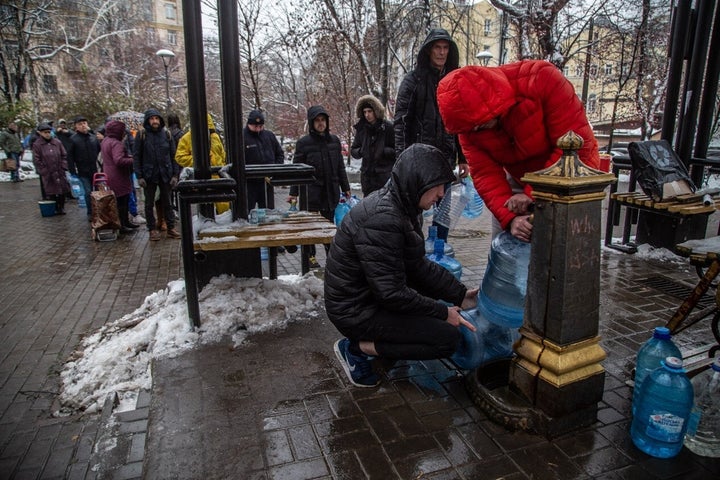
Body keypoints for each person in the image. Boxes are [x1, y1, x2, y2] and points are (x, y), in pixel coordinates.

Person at [325, 143, 478, 387]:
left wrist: (461, 295)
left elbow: (417, 267)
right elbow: (392, 293)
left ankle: (381, 346)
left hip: (369, 299)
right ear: (420, 180)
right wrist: (442, 312)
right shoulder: (384, 218)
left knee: (440, 317)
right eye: (439, 185)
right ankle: (357, 349)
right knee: (447, 338)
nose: (442, 194)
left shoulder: (402, 207)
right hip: (354, 311)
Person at [436, 60, 601, 242]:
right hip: (519, 178)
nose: (476, 132)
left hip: (573, 177)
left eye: (481, 125)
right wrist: (511, 219)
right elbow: (485, 174)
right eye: (471, 128)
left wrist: (533, 193)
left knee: (563, 246)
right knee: (505, 240)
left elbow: (575, 148)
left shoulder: (541, 79)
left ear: (494, 105)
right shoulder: (467, 127)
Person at [393, 28, 469, 241]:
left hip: (445, 159)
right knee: (414, 209)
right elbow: (400, 122)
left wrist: (463, 158)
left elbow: (459, 122)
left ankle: (439, 248)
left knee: (444, 211)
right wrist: (402, 158)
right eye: (437, 47)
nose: (441, 53)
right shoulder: (413, 80)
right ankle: (413, 248)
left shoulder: (454, 81)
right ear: (429, 50)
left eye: (445, 48)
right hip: (419, 161)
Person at [288, 105, 350, 268]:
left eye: (323, 120)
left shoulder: (334, 141)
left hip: (330, 191)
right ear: (311, 123)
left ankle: (332, 255)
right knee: (310, 225)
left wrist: (346, 187)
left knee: (329, 225)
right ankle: (310, 256)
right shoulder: (303, 143)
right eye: (317, 121)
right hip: (312, 193)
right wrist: (293, 193)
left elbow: (340, 167)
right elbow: (297, 170)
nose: (321, 123)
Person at [133, 108, 181, 241]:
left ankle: (171, 227)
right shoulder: (142, 135)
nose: (155, 121)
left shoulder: (167, 134)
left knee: (168, 202)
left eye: (157, 118)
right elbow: (136, 156)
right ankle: (152, 229)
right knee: (149, 204)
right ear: (148, 120)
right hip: (149, 174)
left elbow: (173, 155)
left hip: (165, 173)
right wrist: (139, 176)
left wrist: (175, 174)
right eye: (152, 119)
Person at [175, 113, 229, 214]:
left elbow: (222, 155)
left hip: (219, 178)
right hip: (202, 178)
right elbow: (179, 157)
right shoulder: (187, 138)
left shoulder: (215, 137)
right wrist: (197, 161)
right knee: (206, 210)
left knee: (224, 210)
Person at [350, 95, 395, 196]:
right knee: (368, 206)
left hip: (384, 175)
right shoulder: (361, 128)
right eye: (365, 112)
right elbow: (353, 150)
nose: (367, 115)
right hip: (367, 177)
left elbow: (397, 149)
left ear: (376, 111)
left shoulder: (387, 127)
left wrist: (384, 151)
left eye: (369, 111)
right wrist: (362, 151)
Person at [101, 120, 139, 234]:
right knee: (122, 201)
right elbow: (119, 160)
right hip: (119, 176)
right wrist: (133, 159)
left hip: (109, 174)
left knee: (119, 201)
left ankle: (125, 222)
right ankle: (123, 224)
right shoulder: (116, 143)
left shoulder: (105, 141)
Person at [243, 109, 285, 209]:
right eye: (255, 126)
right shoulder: (242, 137)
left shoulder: (269, 136)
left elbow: (279, 154)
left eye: (260, 126)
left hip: (267, 182)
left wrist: (275, 170)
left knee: (268, 211)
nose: (258, 129)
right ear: (249, 124)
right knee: (248, 211)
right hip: (249, 183)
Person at [66, 116, 100, 220]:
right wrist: (73, 170)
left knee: (98, 192)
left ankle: (99, 211)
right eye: (80, 124)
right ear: (76, 126)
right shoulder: (73, 139)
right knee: (88, 192)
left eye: (84, 123)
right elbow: (70, 157)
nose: (83, 126)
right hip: (83, 170)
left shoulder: (93, 137)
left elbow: (99, 153)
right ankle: (91, 212)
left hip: (96, 170)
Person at [32, 123, 70, 214]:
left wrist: (63, 166)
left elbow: (64, 154)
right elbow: (37, 159)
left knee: (62, 189)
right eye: (45, 132)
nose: (47, 134)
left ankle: (61, 207)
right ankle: (55, 207)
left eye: (49, 132)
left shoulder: (57, 142)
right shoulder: (37, 144)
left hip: (59, 170)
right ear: (40, 133)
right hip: (48, 171)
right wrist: (43, 170)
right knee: (51, 190)